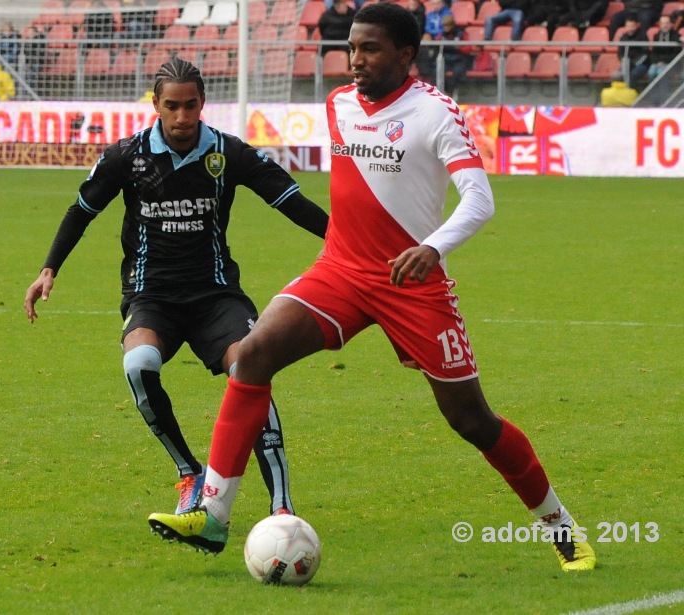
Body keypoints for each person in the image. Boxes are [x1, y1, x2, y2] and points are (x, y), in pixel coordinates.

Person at [148, 2, 597, 574]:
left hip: (412, 284)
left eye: (370, 49)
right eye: (352, 48)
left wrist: (432, 247)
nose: (355, 60)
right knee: (254, 354)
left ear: (405, 55)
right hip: (340, 270)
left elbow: (480, 200)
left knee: (472, 420)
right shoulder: (338, 104)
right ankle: (213, 514)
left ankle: (561, 527)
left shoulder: (437, 113)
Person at [24, 58, 329, 518]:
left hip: (217, 294)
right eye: (173, 106)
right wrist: (50, 269)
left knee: (250, 368)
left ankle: (282, 506)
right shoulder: (127, 156)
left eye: (191, 106)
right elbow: (81, 211)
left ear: (203, 104)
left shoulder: (228, 153)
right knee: (139, 364)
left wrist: (350, 246)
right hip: (151, 295)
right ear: (156, 105)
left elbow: (292, 203)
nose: (183, 117)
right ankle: (190, 472)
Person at [616, 15, 650, 90]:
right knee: (616, 75)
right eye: (628, 26)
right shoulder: (623, 37)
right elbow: (620, 53)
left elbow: (645, 53)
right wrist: (623, 60)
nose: (630, 28)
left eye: (632, 26)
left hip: (641, 64)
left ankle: (631, 95)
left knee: (633, 74)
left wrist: (633, 63)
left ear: (637, 25)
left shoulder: (642, 36)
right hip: (627, 63)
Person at [21, 25, 46, 95]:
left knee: (32, 74)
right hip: (29, 62)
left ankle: (32, 93)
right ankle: (29, 92)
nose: (29, 34)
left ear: (35, 33)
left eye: (31, 32)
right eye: (29, 32)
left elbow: (39, 54)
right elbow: (25, 53)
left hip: (36, 62)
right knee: (27, 74)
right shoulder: (27, 41)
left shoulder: (39, 41)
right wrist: (27, 64)